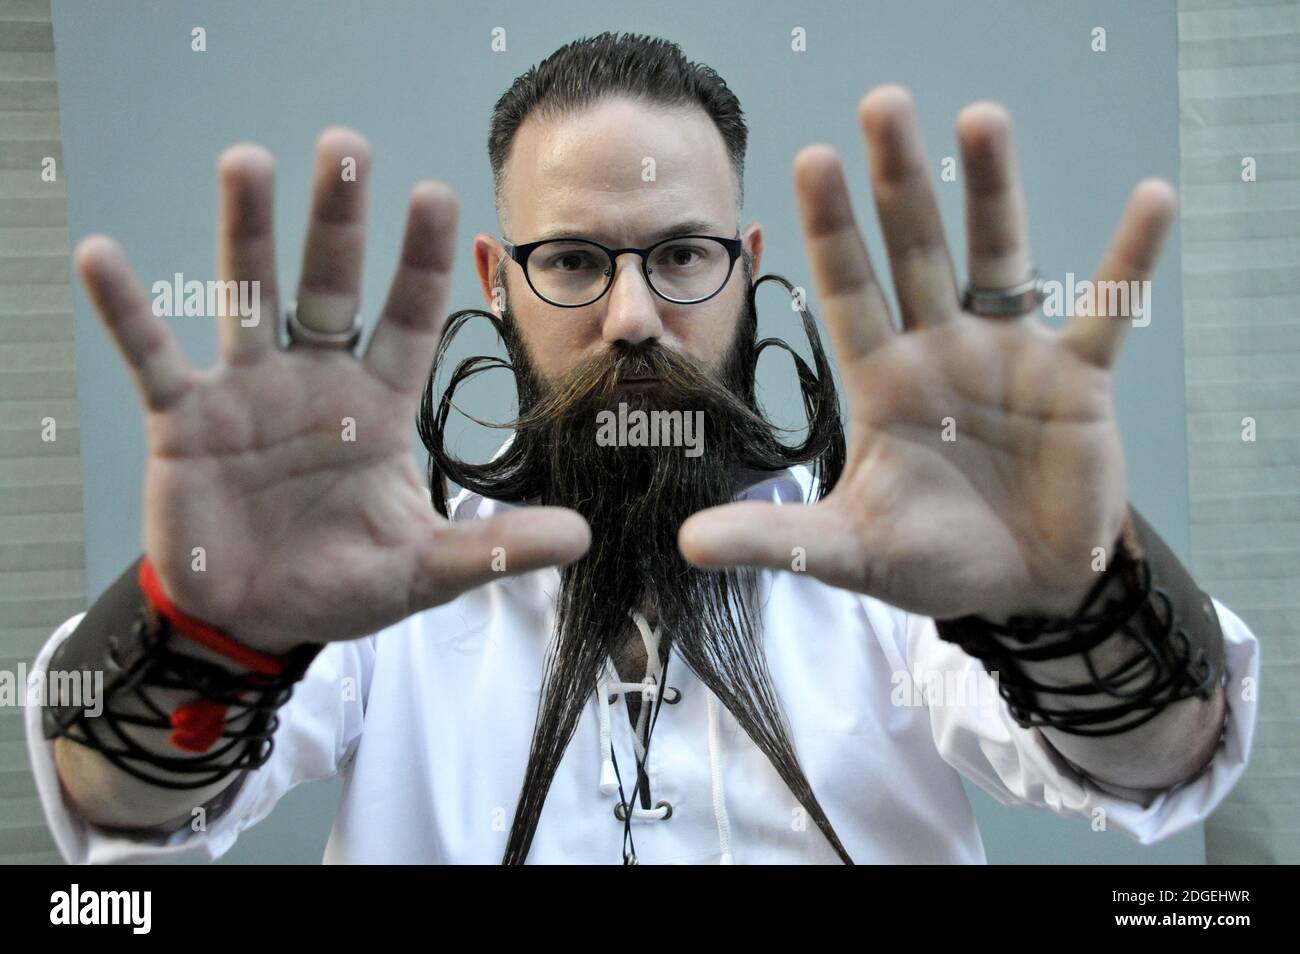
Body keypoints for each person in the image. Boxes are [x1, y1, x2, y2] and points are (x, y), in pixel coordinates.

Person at [26, 33, 1258, 864]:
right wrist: (209, 632)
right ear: (497, 285)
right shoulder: (370, 590)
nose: (631, 318)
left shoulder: (909, 579)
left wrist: (1076, 595)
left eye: (679, 254)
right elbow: (118, 801)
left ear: (748, 268)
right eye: (572, 260)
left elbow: (1158, 763)